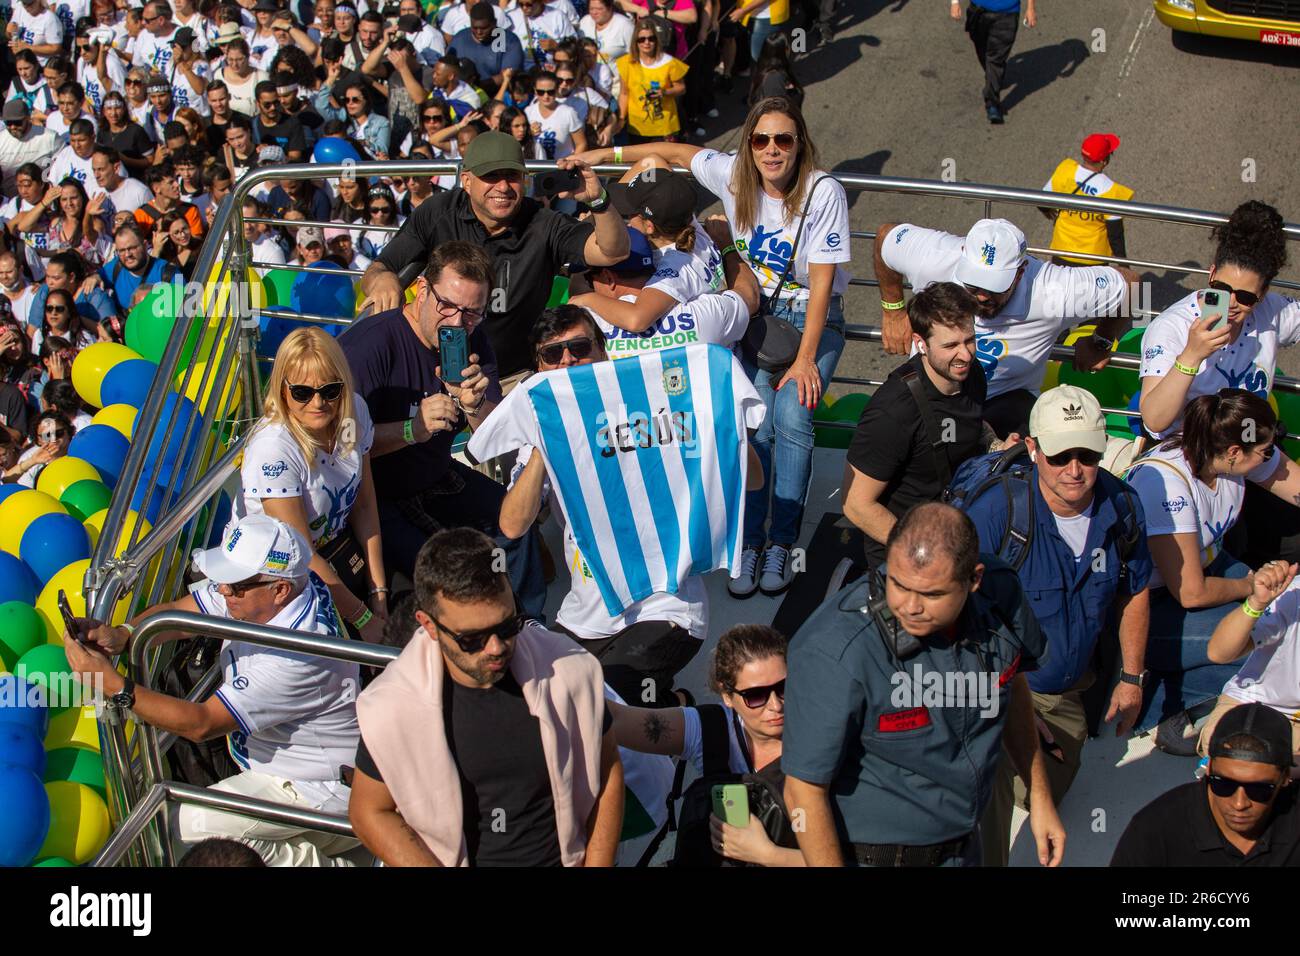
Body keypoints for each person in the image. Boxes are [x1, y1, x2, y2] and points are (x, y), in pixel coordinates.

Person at [576, 97, 852, 598]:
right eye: (761, 140)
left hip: (811, 320)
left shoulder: (822, 191)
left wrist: (807, 357)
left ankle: (782, 543)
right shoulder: (734, 175)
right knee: (754, 419)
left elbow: (823, 280)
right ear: (748, 145)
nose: (772, 150)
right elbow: (675, 153)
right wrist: (603, 154)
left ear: (800, 145)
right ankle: (747, 540)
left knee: (791, 416)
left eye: (783, 140)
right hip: (760, 320)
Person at [485, 304, 761, 705]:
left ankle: (684, 717)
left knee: (611, 702)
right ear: (539, 368)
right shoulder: (539, 438)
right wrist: (548, 445)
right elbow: (512, 526)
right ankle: (672, 705)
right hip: (586, 614)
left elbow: (753, 481)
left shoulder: (656, 406)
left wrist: (720, 422)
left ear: (604, 352)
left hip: (667, 606)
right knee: (538, 702)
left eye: (580, 348)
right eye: (552, 354)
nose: (568, 361)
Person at [63, 513, 365, 867]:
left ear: (279, 590)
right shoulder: (280, 588)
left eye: (233, 585)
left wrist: (111, 683)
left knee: (185, 830)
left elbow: (201, 722)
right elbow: (180, 613)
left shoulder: (297, 657)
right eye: (222, 579)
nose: (223, 590)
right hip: (293, 765)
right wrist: (125, 634)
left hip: (313, 787)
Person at [782, 502, 1065, 867]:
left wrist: (1040, 798)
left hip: (965, 846)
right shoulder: (834, 650)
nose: (910, 606)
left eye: (932, 595)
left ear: (974, 580)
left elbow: (1011, 684)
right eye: (897, 584)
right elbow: (803, 791)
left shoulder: (1000, 596)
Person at [348, 527, 624, 867]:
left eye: (507, 626)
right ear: (428, 625)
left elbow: (607, 767)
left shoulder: (569, 669)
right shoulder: (391, 706)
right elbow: (369, 810)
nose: (496, 648)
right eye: (472, 639)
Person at [961, 385, 1153, 866]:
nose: (1074, 469)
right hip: (996, 688)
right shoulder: (993, 515)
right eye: (1059, 454)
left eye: (1087, 454)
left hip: (1067, 689)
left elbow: (1134, 591)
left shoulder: (1123, 508)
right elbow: (954, 619)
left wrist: (1131, 678)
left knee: (1048, 792)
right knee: (990, 789)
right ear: (1031, 449)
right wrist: (1007, 708)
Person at [340, 240, 544, 614]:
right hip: (376, 492)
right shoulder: (371, 345)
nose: (456, 322)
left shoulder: (475, 338)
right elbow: (339, 445)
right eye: (446, 305)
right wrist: (410, 429)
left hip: (435, 474)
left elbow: (495, 433)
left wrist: (477, 405)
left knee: (514, 521)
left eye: (471, 313)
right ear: (420, 289)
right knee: (439, 573)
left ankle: (526, 621)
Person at [359, 130, 629, 382]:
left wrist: (598, 200)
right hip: (437, 369)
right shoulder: (438, 211)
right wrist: (382, 279)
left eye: (511, 175)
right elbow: (380, 268)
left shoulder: (544, 223)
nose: (503, 187)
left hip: (511, 377)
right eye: (491, 176)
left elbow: (612, 251)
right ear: (466, 180)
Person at [1124, 391, 1300, 752]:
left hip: (1212, 567)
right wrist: (1251, 587)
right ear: (1235, 453)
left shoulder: (1225, 452)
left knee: (1288, 628)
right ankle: (1165, 705)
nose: (1272, 460)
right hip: (1151, 606)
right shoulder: (1167, 486)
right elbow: (1191, 593)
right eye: (1266, 453)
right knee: (1266, 649)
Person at [875, 217, 1136, 438]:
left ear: (1021, 272)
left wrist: (1102, 339)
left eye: (993, 287)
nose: (981, 296)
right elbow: (886, 235)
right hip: (930, 395)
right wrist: (894, 310)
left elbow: (1132, 285)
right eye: (974, 284)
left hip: (1004, 403)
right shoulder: (936, 257)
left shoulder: (1055, 289)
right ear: (963, 254)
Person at [235, 327, 387, 644]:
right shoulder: (275, 449)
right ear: (282, 389)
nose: (318, 403)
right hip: (281, 575)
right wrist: (363, 617)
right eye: (302, 393)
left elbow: (364, 503)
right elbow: (299, 555)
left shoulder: (351, 414)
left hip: (337, 552)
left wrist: (379, 592)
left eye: (330, 390)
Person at [608, 623, 803, 866]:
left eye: (783, 688)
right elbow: (615, 720)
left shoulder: (823, 738)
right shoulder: (709, 728)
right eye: (756, 696)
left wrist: (767, 855)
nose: (776, 705)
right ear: (727, 697)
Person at [843, 282, 989, 573]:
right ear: (920, 344)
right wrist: (918, 550)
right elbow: (856, 505)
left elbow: (968, 425)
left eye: (970, 340)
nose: (966, 355)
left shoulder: (972, 375)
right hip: (907, 549)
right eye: (950, 345)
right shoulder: (893, 411)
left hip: (955, 526)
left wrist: (998, 446)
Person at [1111, 702, 1300, 866]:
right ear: (1208, 770)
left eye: (1259, 790)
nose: (1239, 803)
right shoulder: (1155, 830)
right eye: (1223, 784)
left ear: (1285, 778)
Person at [578, 218, 756, 360]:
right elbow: (750, 295)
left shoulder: (584, 327)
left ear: (609, 278)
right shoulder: (706, 314)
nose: (589, 286)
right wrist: (727, 246)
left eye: (588, 278)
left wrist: (583, 299)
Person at [1204, 559, 1300, 757]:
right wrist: (1257, 603)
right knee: (1243, 758)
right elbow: (1219, 652)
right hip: (1256, 707)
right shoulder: (1294, 595)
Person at [1041, 133, 1132, 266]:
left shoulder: (1065, 170)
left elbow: (1043, 200)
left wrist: (1048, 211)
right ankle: (1140, 288)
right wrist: (1125, 266)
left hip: (1061, 252)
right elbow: (1115, 236)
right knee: (1138, 285)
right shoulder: (1112, 191)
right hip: (1094, 260)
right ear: (1104, 161)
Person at [952, 0, 1035, 124]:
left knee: (995, 59)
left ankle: (992, 104)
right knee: (983, 52)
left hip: (1007, 14)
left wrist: (1030, 8)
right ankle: (993, 76)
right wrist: (955, 3)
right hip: (979, 10)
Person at [613, 20, 686, 144]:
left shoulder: (669, 62)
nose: (646, 42)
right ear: (635, 41)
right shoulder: (626, 63)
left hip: (663, 126)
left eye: (651, 38)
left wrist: (664, 92)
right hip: (637, 126)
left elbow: (681, 88)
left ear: (656, 40)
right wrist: (621, 119)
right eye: (642, 39)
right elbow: (624, 93)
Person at [98, 220, 179, 316]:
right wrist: (95, 277)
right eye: (122, 250)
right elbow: (95, 278)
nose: (127, 254)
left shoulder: (167, 273)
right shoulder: (115, 267)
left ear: (145, 245)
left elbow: (186, 308)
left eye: (132, 248)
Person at [448, 1, 524, 92]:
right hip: (463, 95)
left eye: (484, 28)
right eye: (475, 28)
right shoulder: (459, 39)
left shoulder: (510, 41)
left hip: (498, 96)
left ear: (494, 23)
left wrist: (476, 88)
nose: (479, 32)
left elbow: (507, 75)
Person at [0, 99, 60, 194]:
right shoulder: (1, 140)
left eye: (17, 122)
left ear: (28, 118)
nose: (12, 127)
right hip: (9, 202)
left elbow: (63, 166)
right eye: (8, 123)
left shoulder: (50, 138)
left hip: (44, 197)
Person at [525, 69, 585, 161]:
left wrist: (571, 163)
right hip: (535, 168)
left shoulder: (568, 113)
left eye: (550, 92)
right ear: (535, 91)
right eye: (541, 92)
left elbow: (581, 143)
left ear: (557, 90)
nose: (546, 96)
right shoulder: (528, 112)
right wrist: (529, 133)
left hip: (562, 169)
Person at [96, 92, 155, 177]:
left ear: (124, 109)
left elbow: (150, 160)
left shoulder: (136, 131)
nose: (113, 113)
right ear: (104, 111)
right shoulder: (102, 132)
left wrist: (125, 160)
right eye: (109, 109)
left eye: (117, 108)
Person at [12, 408, 71, 486]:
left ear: (68, 432)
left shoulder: (80, 452)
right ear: (38, 439)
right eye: (47, 435)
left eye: (58, 433)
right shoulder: (30, 459)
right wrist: (32, 461)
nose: (53, 439)